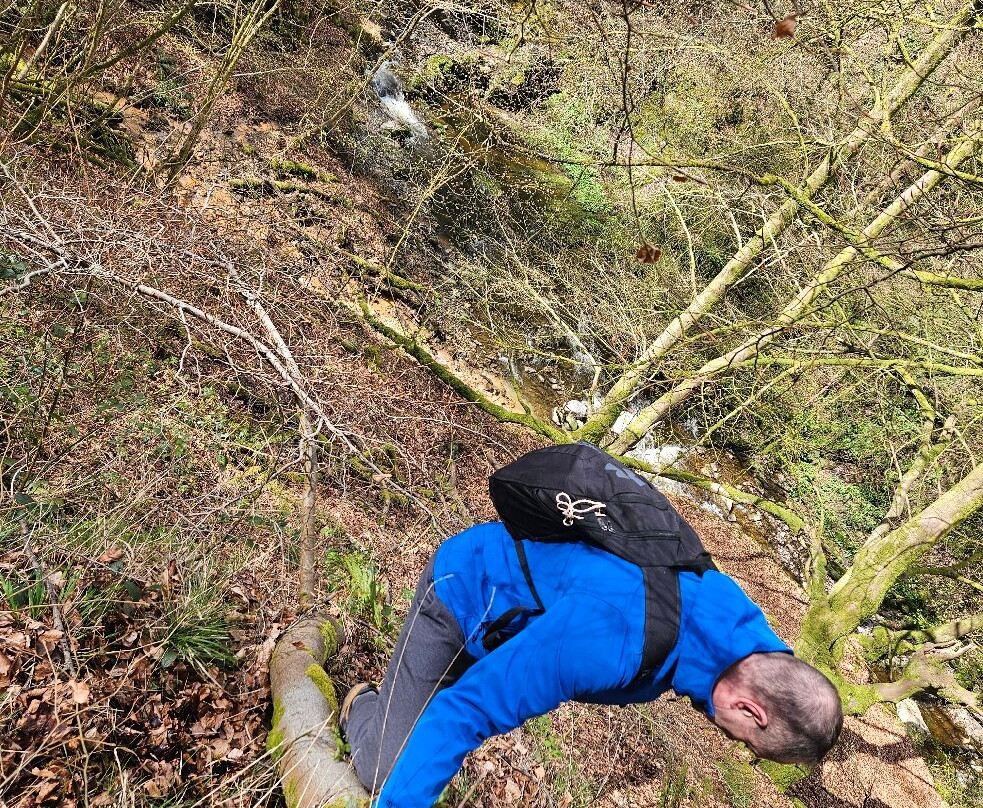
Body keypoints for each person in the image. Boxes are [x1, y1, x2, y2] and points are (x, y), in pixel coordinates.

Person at [339, 519, 843, 808]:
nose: (727, 737)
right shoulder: (614, 636)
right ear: (752, 709)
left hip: (522, 626)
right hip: (464, 594)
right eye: (742, 738)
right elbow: (464, 712)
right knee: (387, 773)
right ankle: (362, 704)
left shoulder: (743, 632)